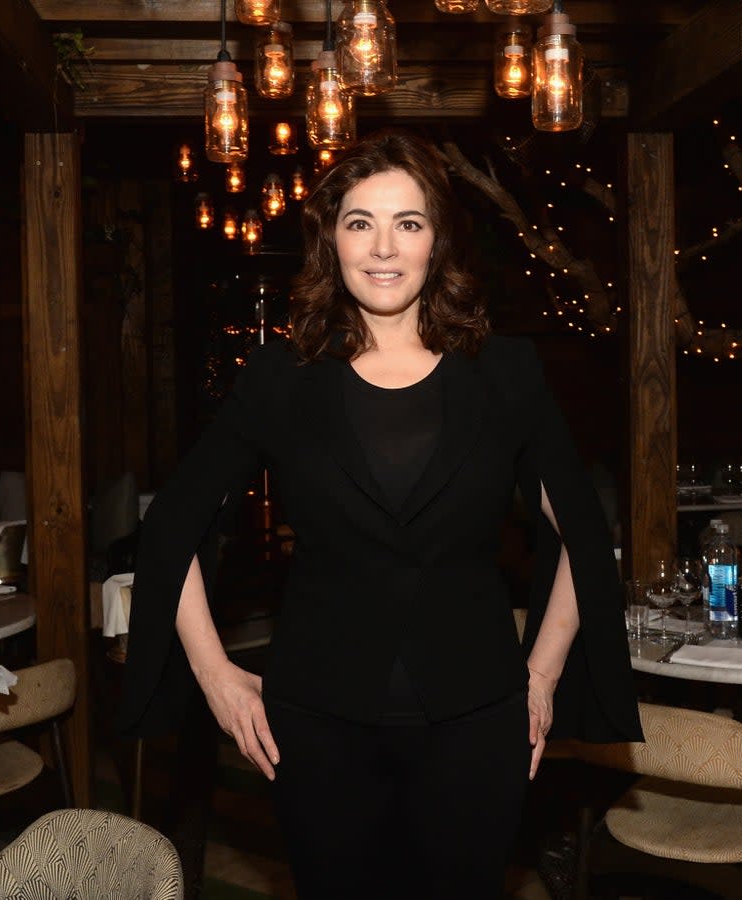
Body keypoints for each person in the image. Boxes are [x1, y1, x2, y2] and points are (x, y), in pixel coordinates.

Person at [120, 129, 641, 899]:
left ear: (438, 240)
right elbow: (172, 527)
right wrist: (216, 676)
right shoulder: (278, 378)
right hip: (315, 722)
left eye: (409, 222)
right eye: (360, 222)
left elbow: (584, 535)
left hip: (477, 719)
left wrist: (542, 672)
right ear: (332, 241)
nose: (384, 247)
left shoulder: (506, 372)